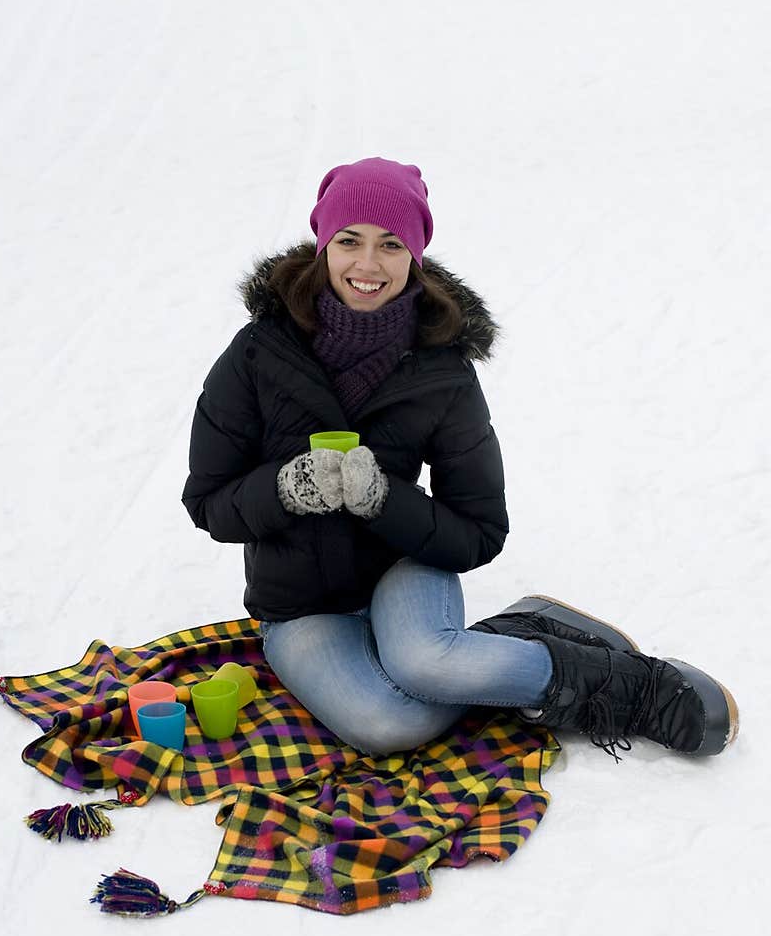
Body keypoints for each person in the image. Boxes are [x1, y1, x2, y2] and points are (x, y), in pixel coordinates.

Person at [183, 156, 738, 761]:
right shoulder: (257, 353)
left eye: (391, 245)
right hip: (299, 605)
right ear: (323, 245)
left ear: (415, 254)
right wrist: (286, 489)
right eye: (349, 241)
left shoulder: (443, 371)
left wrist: (383, 501)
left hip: (405, 568)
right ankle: (516, 639)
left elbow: (478, 531)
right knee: (386, 723)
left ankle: (633, 688)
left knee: (425, 659)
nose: (367, 265)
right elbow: (209, 502)